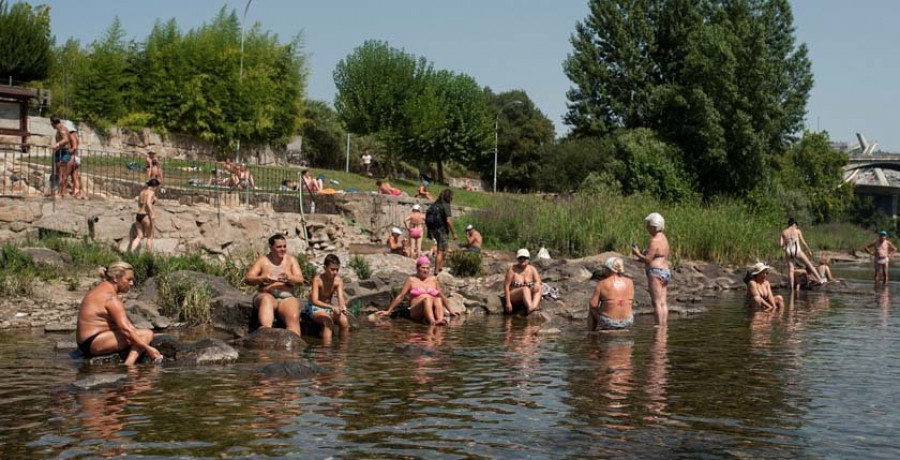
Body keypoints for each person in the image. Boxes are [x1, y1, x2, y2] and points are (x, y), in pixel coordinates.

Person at [76, 262, 162, 365]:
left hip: (86, 342)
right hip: (94, 343)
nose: (132, 283)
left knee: (143, 334)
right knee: (146, 334)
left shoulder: (101, 288)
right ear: (116, 278)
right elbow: (125, 330)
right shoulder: (111, 298)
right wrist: (148, 348)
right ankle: (129, 365)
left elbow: (127, 326)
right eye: (128, 279)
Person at [243, 234, 305, 335]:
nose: (283, 249)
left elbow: (300, 280)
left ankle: (294, 347)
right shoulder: (263, 260)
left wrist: (288, 278)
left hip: (286, 297)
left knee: (293, 319)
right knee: (266, 302)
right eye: (279, 247)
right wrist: (262, 278)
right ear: (271, 248)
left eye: (284, 246)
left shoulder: (291, 260)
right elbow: (248, 278)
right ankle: (265, 341)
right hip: (266, 294)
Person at [377, 256, 457, 325]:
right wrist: (388, 311)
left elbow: (441, 295)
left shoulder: (433, 279)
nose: (425, 270)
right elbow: (401, 296)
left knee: (438, 299)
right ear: (417, 268)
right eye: (423, 268)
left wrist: (450, 310)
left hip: (431, 308)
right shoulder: (411, 280)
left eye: (427, 268)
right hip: (416, 310)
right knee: (427, 299)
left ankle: (439, 320)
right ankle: (432, 322)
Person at [631, 212, 670, 326]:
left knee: (656, 302)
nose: (647, 227)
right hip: (665, 271)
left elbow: (648, 260)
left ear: (654, 226)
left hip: (656, 272)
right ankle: (664, 326)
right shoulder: (664, 238)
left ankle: (658, 326)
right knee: (663, 302)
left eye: (648, 225)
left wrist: (637, 253)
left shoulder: (654, 241)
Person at [303, 254, 350, 343]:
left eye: (337, 269)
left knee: (344, 321)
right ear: (325, 268)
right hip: (314, 307)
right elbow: (314, 300)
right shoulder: (317, 280)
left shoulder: (338, 280)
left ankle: (342, 348)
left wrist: (343, 306)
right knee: (328, 322)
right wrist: (332, 307)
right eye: (332, 269)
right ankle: (326, 350)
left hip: (328, 307)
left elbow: (340, 297)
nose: (335, 272)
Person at [588, 257, 634, 331]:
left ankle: (590, 335)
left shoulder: (602, 284)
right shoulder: (630, 282)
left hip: (610, 323)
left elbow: (593, 305)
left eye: (605, 268)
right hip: (628, 322)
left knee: (591, 309)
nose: (604, 271)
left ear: (609, 269)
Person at [781, 218, 824, 288]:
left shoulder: (784, 232)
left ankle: (791, 287)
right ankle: (820, 279)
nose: (796, 227)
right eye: (796, 225)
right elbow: (803, 242)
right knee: (809, 264)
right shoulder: (797, 231)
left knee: (791, 269)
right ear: (794, 224)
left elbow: (781, 244)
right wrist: (809, 250)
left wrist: (785, 247)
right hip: (797, 250)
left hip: (788, 250)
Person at [426, 189, 458, 275]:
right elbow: (448, 220)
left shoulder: (435, 204)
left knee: (445, 248)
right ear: (449, 196)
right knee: (441, 251)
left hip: (433, 229)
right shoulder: (446, 205)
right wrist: (453, 232)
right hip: (442, 230)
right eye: (451, 196)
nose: (452, 198)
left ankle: (440, 267)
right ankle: (436, 271)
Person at [504, 248, 543, 315]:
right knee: (525, 288)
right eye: (520, 258)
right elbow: (506, 286)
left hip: (528, 295)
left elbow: (538, 281)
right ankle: (530, 307)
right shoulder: (512, 270)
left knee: (539, 287)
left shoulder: (532, 269)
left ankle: (533, 306)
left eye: (525, 258)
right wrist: (508, 302)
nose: (522, 260)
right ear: (517, 259)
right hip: (515, 296)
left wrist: (537, 284)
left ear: (528, 259)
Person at [129, 178, 160, 252]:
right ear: (154, 186)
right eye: (157, 187)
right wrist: (152, 213)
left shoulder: (142, 192)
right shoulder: (151, 192)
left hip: (138, 215)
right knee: (150, 237)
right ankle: (149, 257)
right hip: (145, 215)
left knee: (139, 236)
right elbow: (148, 202)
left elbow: (139, 204)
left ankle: (130, 253)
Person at [63, 120, 85, 199]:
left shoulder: (71, 135)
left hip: (73, 157)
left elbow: (74, 146)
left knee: (65, 175)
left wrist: (68, 152)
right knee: (75, 176)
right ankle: (76, 192)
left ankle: (62, 191)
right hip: (77, 157)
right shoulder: (75, 135)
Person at [50, 117, 71, 197]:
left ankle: (61, 192)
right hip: (61, 151)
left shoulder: (62, 129)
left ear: (53, 123)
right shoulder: (60, 129)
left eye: (51, 123)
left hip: (63, 152)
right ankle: (61, 191)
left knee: (61, 173)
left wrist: (57, 144)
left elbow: (66, 140)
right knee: (60, 173)